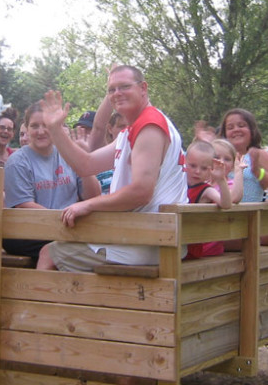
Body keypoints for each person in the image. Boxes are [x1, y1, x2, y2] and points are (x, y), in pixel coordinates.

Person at [36, 65, 188, 272]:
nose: (117, 94)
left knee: (49, 254)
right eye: (111, 89)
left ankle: (41, 305)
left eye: (124, 86)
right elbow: (85, 165)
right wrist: (55, 129)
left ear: (143, 88)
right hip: (143, 234)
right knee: (56, 247)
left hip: (151, 240)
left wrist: (88, 205)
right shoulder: (131, 130)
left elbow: (141, 192)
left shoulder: (149, 125)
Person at [3, 102, 101, 260]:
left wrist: (83, 161)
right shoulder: (17, 162)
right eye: (34, 126)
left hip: (68, 227)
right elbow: (25, 205)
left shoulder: (68, 154)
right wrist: (64, 221)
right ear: (26, 129)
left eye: (46, 125)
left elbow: (93, 196)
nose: (41, 131)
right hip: (31, 231)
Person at [218, 109, 268, 202]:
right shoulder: (218, 156)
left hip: (249, 214)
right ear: (225, 134)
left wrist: (258, 172)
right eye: (230, 127)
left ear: (251, 130)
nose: (236, 129)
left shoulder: (260, 155)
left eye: (241, 125)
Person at [183, 141, 231, 259]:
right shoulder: (179, 184)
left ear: (211, 170)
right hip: (175, 237)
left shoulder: (206, 190)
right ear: (184, 162)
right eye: (193, 165)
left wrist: (221, 180)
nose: (197, 171)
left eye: (204, 168)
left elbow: (225, 204)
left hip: (190, 245)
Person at [211, 138, 245, 204]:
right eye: (216, 157)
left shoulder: (229, 184)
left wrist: (238, 171)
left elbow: (234, 198)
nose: (222, 162)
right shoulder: (202, 182)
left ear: (232, 165)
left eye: (227, 159)